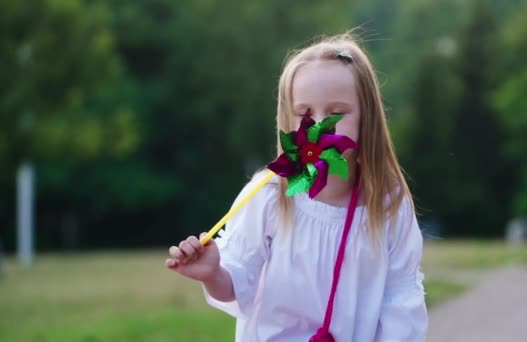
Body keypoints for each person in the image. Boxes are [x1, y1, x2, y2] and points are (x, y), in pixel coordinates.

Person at [165, 34, 427, 341]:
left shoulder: (387, 203)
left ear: (367, 117)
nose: (317, 126)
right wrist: (213, 274)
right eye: (304, 114)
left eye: (335, 113)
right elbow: (237, 283)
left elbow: (399, 299)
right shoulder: (269, 196)